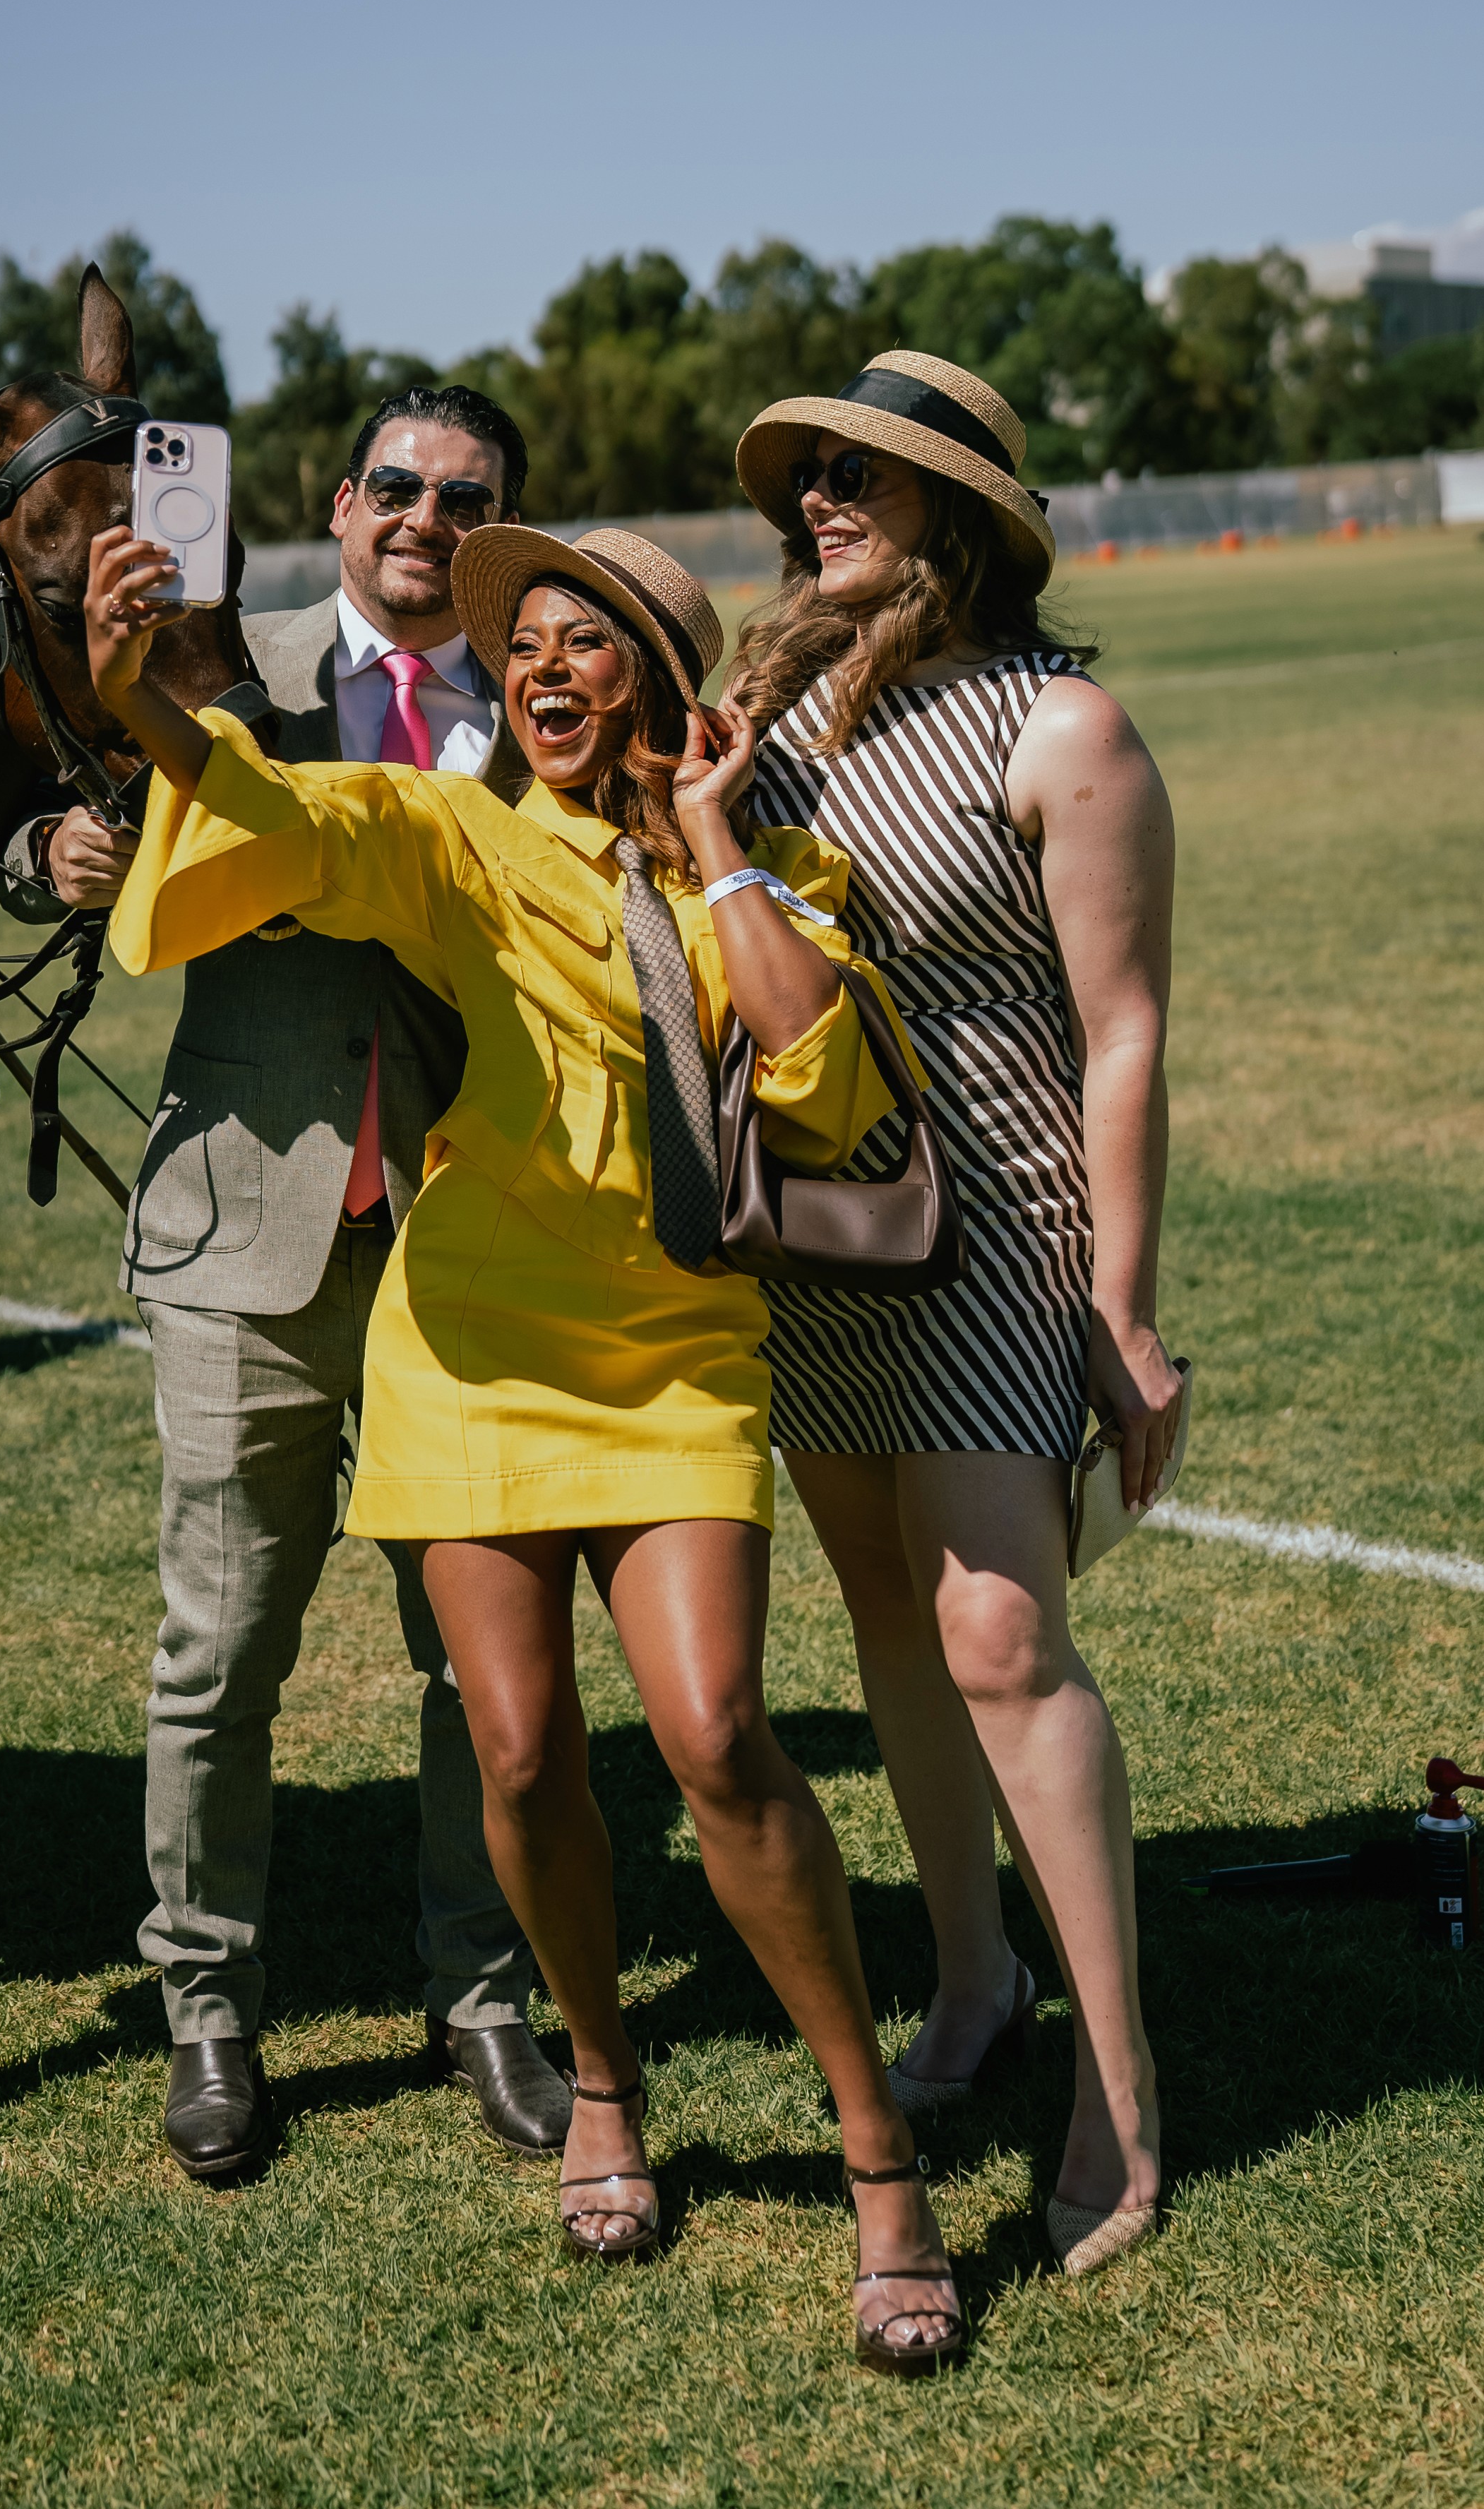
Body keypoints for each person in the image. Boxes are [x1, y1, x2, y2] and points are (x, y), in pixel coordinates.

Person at [90, 513, 967, 2376]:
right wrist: (140, 702)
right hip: (470, 1348)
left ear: (657, 684)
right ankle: (602, 2077)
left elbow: (821, 1084)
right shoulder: (457, 833)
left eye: (588, 644)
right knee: (515, 1743)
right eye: (529, 647)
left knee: (716, 1734)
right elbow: (290, 815)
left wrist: (714, 836)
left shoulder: (778, 865)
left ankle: (878, 2154)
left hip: (673, 1354)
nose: (544, 671)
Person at [26, 384, 575, 2182]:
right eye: (396, 484)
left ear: (497, 535)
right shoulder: (208, 655)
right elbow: (62, 817)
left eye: (465, 499)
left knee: (481, 1661)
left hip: (462, 1250)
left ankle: (482, 1993)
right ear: (339, 503)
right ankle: (207, 2009)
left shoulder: (544, 700)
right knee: (218, 1655)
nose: (424, 516)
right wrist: (62, 851)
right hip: (238, 1241)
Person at [729, 349, 1181, 2278]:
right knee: (888, 1625)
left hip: (997, 1222)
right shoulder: (771, 712)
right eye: (808, 477)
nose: (818, 500)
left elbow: (1123, 1031)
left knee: (998, 1635)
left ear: (962, 514)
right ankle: (977, 1975)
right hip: (814, 1230)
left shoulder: (1061, 727)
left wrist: (1121, 1311)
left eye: (862, 474)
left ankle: (1121, 2097)